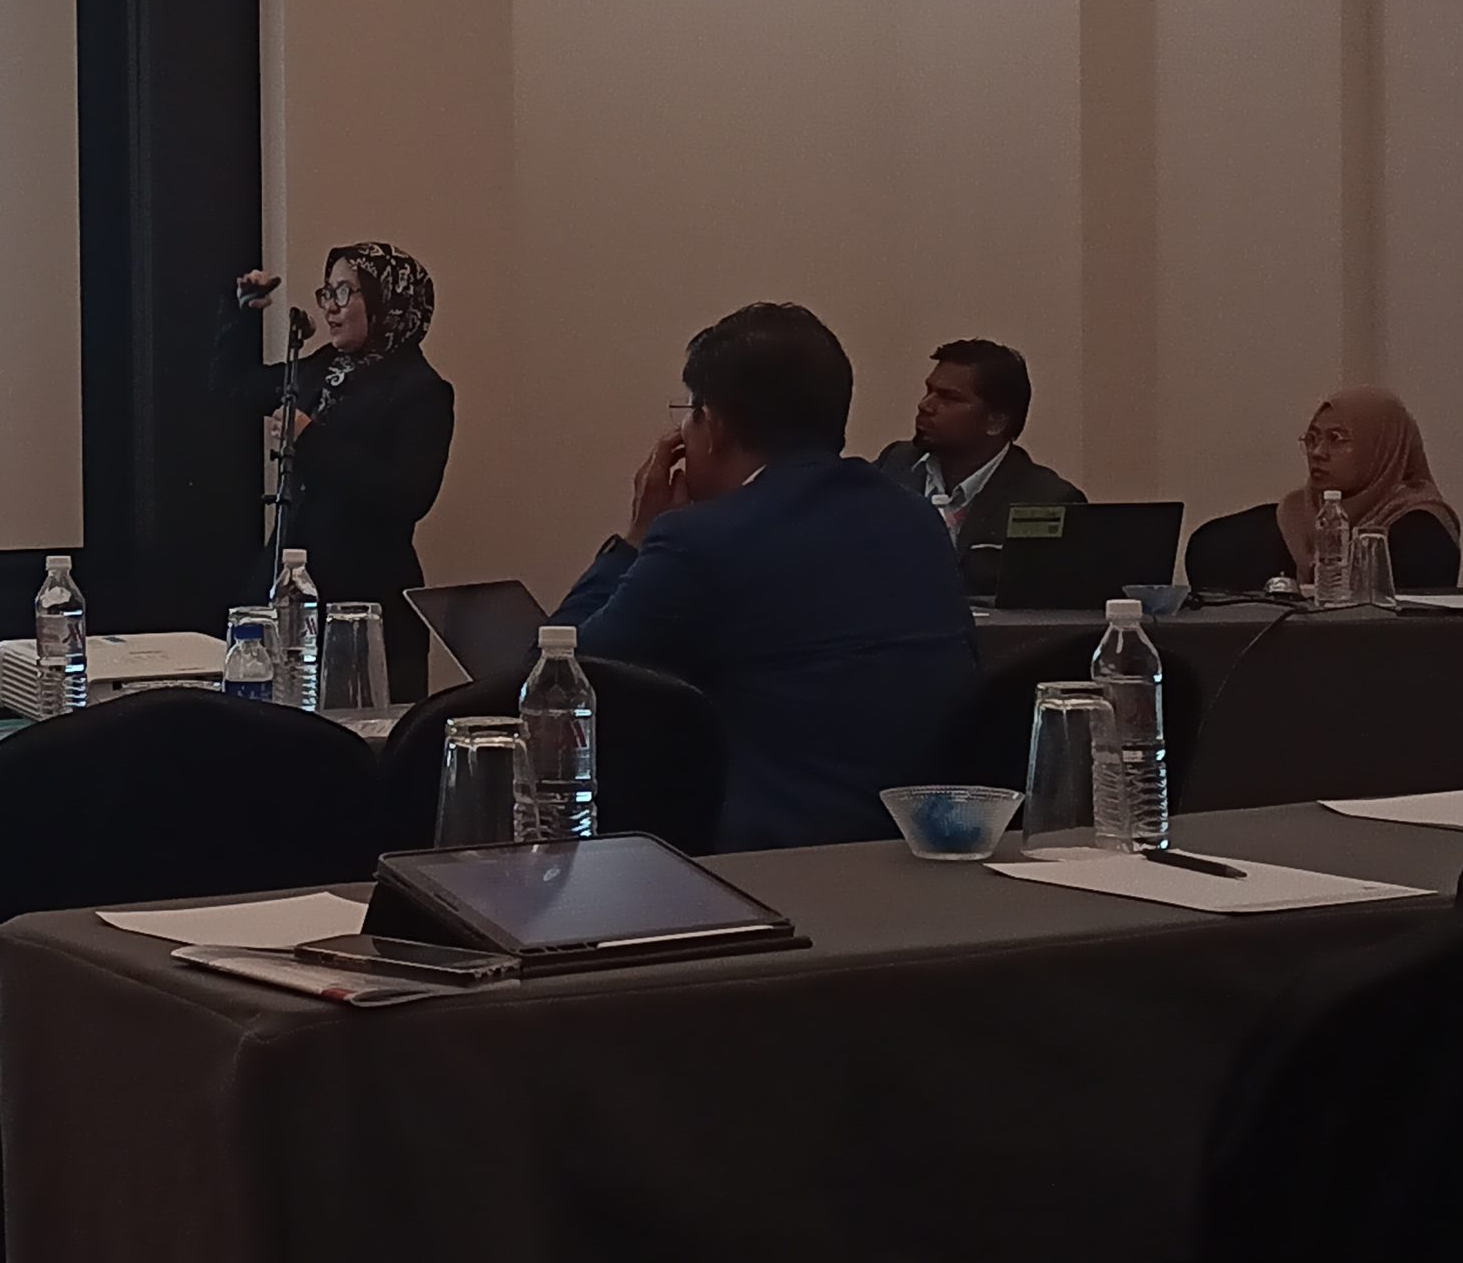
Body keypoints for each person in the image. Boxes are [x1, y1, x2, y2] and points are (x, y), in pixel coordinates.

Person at [553, 302, 978, 850]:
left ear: (715, 426)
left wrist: (634, 539)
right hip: (916, 849)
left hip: (767, 865)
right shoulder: (915, 518)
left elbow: (556, 686)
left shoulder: (702, 540)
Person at [220, 243, 454, 700]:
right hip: (292, 591)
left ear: (387, 301)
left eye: (345, 292)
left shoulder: (422, 391)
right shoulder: (322, 368)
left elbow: (409, 494)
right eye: (327, 292)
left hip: (367, 607)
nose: (329, 305)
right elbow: (232, 388)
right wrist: (241, 316)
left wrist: (309, 439)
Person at [1186, 388, 1461, 592]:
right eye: (1312, 438)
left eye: (1336, 439)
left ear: (1381, 448)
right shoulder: (1292, 517)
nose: (1317, 452)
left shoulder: (1421, 529)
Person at [875, 339, 1086, 583]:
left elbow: (1055, 597)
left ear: (996, 422)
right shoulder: (894, 466)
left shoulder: (1047, 500)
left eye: (948, 398)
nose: (925, 405)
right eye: (929, 391)